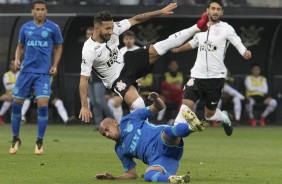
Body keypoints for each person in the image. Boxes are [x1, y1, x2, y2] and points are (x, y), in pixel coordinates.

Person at [79, 3, 210, 123]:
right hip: (117, 79)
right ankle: (136, 130)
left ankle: (197, 27)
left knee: (161, 47)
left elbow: (136, 19)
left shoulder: (114, 29)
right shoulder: (89, 50)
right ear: (96, 27)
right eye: (107, 28)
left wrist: (160, 11)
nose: (111, 31)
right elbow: (83, 81)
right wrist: (84, 106)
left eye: (111, 27)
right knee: (138, 104)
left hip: (127, 61)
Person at [171, 0, 252, 136]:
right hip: (197, 75)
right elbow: (193, 43)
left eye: (218, 9)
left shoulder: (226, 28)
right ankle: (173, 136)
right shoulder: (200, 27)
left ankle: (224, 117)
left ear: (222, 12)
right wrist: (177, 49)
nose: (215, 11)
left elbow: (237, 42)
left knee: (209, 115)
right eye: (213, 8)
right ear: (207, 10)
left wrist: (244, 52)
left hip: (216, 77)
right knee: (185, 106)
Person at [95, 92, 204, 183]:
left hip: (161, 140)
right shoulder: (119, 149)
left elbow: (159, 107)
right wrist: (114, 178)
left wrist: (156, 99)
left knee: (167, 132)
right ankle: (172, 179)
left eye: (107, 130)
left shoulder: (128, 119)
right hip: (160, 159)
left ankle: (193, 127)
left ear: (115, 123)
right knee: (148, 174)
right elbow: (131, 174)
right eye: (104, 135)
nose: (107, 135)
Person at [10, 0, 63, 155]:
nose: (40, 12)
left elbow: (58, 47)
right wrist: (17, 58)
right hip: (26, 71)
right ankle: (15, 139)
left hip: (43, 73)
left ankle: (39, 141)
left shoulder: (53, 28)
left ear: (46, 11)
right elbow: (20, 46)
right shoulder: (25, 27)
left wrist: (55, 64)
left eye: (43, 9)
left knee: (43, 105)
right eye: (37, 9)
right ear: (32, 11)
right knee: (15, 105)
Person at [244, 63, 277, 127]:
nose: (256, 71)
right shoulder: (248, 78)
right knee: (248, 102)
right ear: (252, 70)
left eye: (257, 69)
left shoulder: (263, 78)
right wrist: (259, 88)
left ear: (260, 70)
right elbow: (250, 88)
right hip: (251, 96)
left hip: (262, 96)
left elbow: (265, 90)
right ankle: (252, 118)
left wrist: (256, 88)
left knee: (274, 102)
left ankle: (262, 118)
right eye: (254, 69)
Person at [159, 60, 184, 124]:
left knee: (186, 99)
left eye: (175, 64)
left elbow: (184, 87)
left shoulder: (181, 75)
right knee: (161, 99)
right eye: (172, 64)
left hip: (178, 95)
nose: (174, 66)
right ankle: (159, 119)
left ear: (177, 66)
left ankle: (182, 119)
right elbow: (162, 88)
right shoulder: (165, 75)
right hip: (168, 95)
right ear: (169, 66)